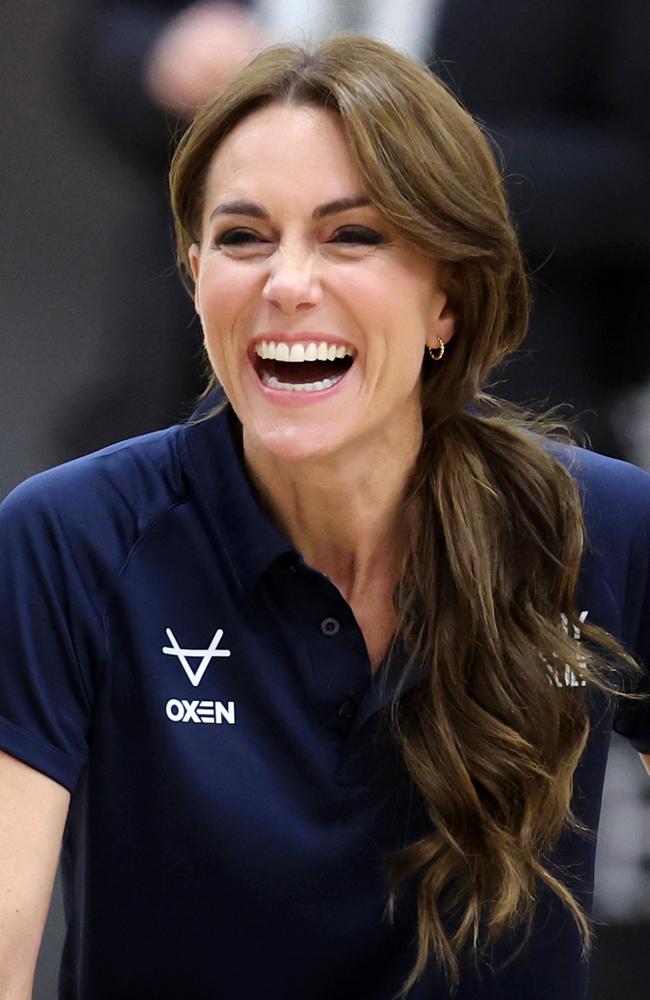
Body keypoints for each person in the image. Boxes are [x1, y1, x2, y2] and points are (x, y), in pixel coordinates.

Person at [1, 35, 649, 1000]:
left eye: (353, 236)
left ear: (449, 301)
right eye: (243, 237)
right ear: (194, 276)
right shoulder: (71, 534)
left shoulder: (602, 526)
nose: (286, 282)